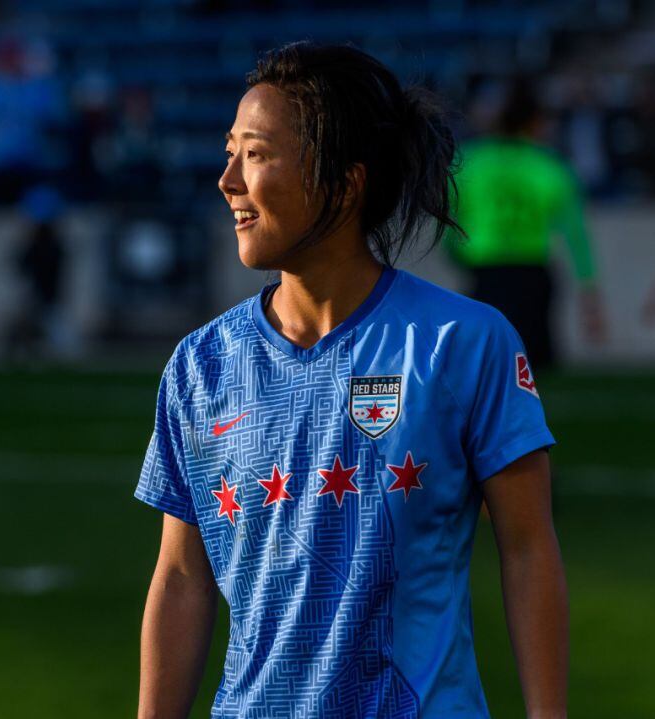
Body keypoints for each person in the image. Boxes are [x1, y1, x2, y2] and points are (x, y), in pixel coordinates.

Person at [135, 43, 567, 719]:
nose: (227, 180)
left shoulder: (465, 344)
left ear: (343, 180)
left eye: (253, 153)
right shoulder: (199, 365)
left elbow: (528, 545)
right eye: (229, 152)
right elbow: (183, 576)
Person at [447, 77, 606, 370]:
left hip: (487, 273)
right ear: (535, 122)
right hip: (533, 271)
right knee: (531, 367)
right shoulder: (550, 165)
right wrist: (590, 292)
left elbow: (446, 220)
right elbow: (576, 235)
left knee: (487, 360)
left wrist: (457, 255)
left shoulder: (469, 161)